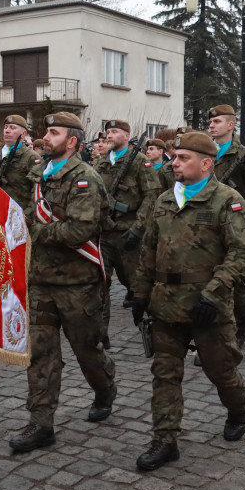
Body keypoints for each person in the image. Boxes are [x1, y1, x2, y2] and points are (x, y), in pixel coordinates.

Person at [131, 131, 245, 470]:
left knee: (221, 369)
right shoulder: (163, 201)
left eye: (183, 158)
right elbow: (148, 252)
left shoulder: (226, 200)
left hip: (207, 306)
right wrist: (140, 293)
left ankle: (238, 408)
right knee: (165, 373)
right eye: (174, 157)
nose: (175, 163)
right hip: (166, 305)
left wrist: (214, 292)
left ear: (206, 163)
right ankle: (165, 439)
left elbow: (243, 251)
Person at [9, 112, 117, 453]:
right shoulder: (39, 174)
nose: (46, 137)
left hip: (76, 283)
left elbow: (78, 231)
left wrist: (34, 231)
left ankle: (105, 388)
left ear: (72, 141)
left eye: (54, 132)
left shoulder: (86, 178)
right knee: (40, 354)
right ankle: (40, 424)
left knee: (87, 350)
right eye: (46, 131)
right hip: (40, 280)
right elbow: (29, 214)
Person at [206, 105, 245, 348]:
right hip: (206, 225)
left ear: (231, 125)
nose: (212, 125)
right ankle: (213, 334)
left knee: (235, 281)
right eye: (210, 122)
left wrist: (242, 217)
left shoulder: (244, 155)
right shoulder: (205, 153)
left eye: (217, 121)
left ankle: (240, 326)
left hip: (234, 226)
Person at [92, 119, 160, 345]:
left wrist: (138, 228)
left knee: (138, 285)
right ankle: (101, 334)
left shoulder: (140, 162)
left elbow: (152, 197)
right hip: (104, 235)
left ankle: (153, 330)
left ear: (126, 135)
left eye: (114, 132)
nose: (109, 135)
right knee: (100, 284)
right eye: (107, 132)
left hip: (129, 235)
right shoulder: (100, 163)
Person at [0, 115, 40, 211]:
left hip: (18, 216)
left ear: (23, 134)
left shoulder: (31, 158)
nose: (7, 131)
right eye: (5, 127)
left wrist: (26, 216)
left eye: (12, 128)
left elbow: (37, 192)